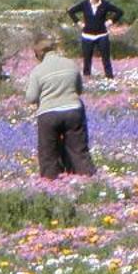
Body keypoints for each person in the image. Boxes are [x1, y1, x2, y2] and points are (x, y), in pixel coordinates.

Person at [23, 34, 94, 179]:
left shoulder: (38, 71)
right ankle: (87, 180)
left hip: (48, 114)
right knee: (78, 151)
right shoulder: (71, 64)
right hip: (73, 110)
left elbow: (30, 98)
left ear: (40, 52)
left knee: (48, 153)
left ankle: (51, 184)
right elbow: (79, 90)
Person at [67, 0, 127, 80]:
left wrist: (110, 22)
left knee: (106, 58)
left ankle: (109, 77)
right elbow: (71, 12)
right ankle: (87, 77)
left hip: (102, 35)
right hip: (87, 36)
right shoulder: (84, 4)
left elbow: (120, 12)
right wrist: (79, 23)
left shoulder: (105, 4)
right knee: (87, 59)